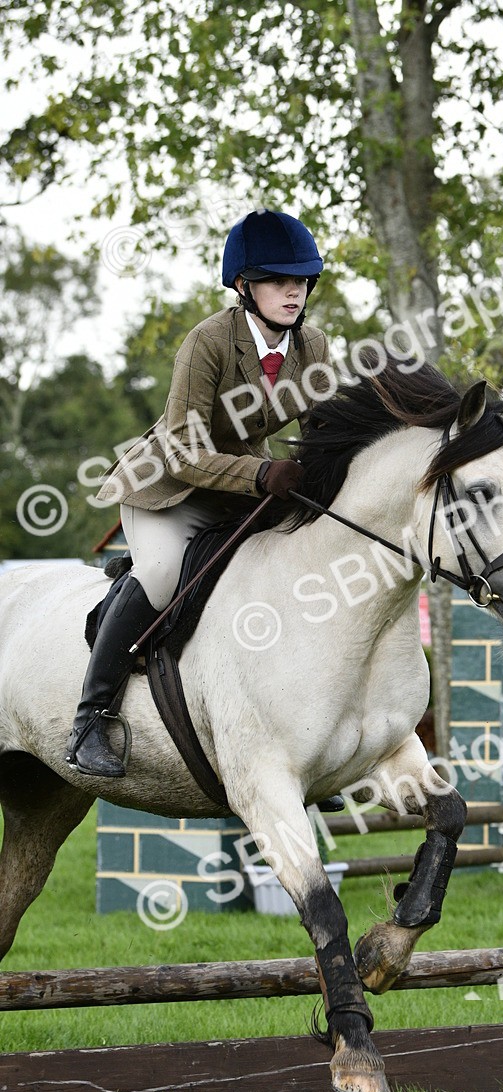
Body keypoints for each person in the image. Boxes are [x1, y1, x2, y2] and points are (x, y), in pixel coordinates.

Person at [65, 209, 333, 779]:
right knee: (163, 576)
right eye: (278, 280)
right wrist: (264, 477)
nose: (294, 291)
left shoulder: (312, 347)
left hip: (240, 483)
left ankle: (306, 734)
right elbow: (186, 452)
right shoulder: (207, 342)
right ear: (244, 286)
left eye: (302, 280)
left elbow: (322, 433)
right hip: (166, 484)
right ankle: (90, 719)